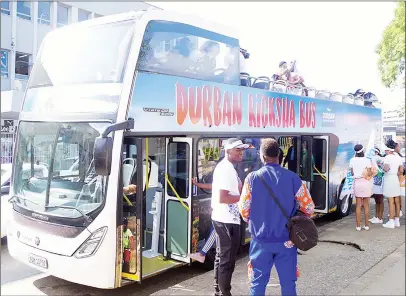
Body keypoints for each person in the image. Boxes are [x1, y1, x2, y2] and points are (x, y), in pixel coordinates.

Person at [238, 138, 314, 296]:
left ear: (262, 156)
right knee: (288, 284)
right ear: (279, 155)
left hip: (260, 242)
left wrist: (257, 220)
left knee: (258, 283)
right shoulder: (293, 178)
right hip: (286, 241)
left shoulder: (252, 179)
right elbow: (308, 208)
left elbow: (244, 210)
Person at [211, 138, 248, 296]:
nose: (241, 153)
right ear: (227, 151)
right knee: (227, 259)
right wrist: (244, 196)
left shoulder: (226, 167)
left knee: (221, 256)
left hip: (223, 217)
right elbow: (223, 198)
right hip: (227, 220)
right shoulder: (226, 169)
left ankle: (218, 290)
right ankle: (225, 292)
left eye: (241, 150)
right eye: (237, 150)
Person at [349, 144, 375, 231]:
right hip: (366, 183)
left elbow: (352, 173)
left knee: (358, 205)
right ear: (363, 151)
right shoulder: (367, 160)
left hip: (357, 183)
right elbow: (369, 173)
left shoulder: (352, 160)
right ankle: (367, 225)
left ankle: (358, 226)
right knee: (366, 205)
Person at [382, 140, 403, 229]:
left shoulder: (388, 157)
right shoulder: (399, 157)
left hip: (389, 179)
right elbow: (401, 171)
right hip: (395, 179)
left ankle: (391, 222)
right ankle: (397, 221)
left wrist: (382, 168)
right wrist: (395, 173)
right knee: (397, 200)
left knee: (391, 201)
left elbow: (386, 169)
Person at [369, 147, 385, 224]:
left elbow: (382, 167)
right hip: (375, 182)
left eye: (375, 151)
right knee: (376, 200)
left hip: (380, 181)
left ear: (377, 152)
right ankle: (376, 216)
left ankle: (380, 217)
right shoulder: (372, 158)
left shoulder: (379, 158)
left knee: (380, 200)